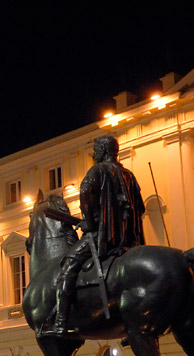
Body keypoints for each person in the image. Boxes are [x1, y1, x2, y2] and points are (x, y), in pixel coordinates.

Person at [42, 135, 146, 336]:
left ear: (106, 151)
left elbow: (85, 191)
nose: (94, 154)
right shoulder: (129, 175)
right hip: (127, 239)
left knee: (68, 265)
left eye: (97, 149)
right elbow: (139, 208)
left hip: (102, 237)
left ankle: (61, 322)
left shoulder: (98, 171)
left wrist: (89, 221)